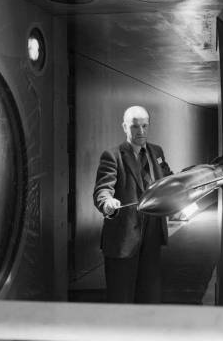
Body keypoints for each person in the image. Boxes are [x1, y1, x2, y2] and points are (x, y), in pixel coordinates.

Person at [93, 105, 173, 303]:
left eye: (145, 126)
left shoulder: (156, 151)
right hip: (123, 238)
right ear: (124, 127)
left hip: (152, 234)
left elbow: (168, 179)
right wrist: (107, 203)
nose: (141, 132)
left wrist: (189, 183)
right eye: (135, 127)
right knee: (121, 297)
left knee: (150, 295)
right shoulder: (112, 155)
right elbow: (102, 190)